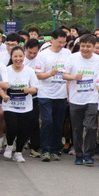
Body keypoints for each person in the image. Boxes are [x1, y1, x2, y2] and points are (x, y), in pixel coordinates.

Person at [63, 34, 99, 166]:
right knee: (77, 129)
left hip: (93, 98)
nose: (85, 49)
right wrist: (74, 77)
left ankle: (88, 154)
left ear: (94, 47)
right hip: (76, 99)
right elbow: (64, 75)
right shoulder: (72, 58)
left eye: (88, 46)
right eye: (83, 46)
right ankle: (78, 154)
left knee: (90, 127)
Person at [34, 29, 71, 161]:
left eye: (63, 43)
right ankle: (45, 149)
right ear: (52, 40)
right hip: (45, 94)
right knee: (47, 121)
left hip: (61, 94)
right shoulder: (42, 55)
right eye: (59, 42)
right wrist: (50, 73)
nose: (61, 45)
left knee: (58, 123)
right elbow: (38, 75)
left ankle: (55, 149)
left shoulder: (68, 53)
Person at [2, 46, 38, 163]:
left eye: (20, 56)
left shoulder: (29, 71)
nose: (18, 59)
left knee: (23, 130)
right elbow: (1, 87)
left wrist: (28, 90)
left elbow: (35, 88)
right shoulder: (6, 70)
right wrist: (4, 96)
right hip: (10, 105)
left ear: (24, 56)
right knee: (12, 127)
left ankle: (18, 152)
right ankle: (9, 145)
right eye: (15, 56)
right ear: (11, 57)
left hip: (25, 106)